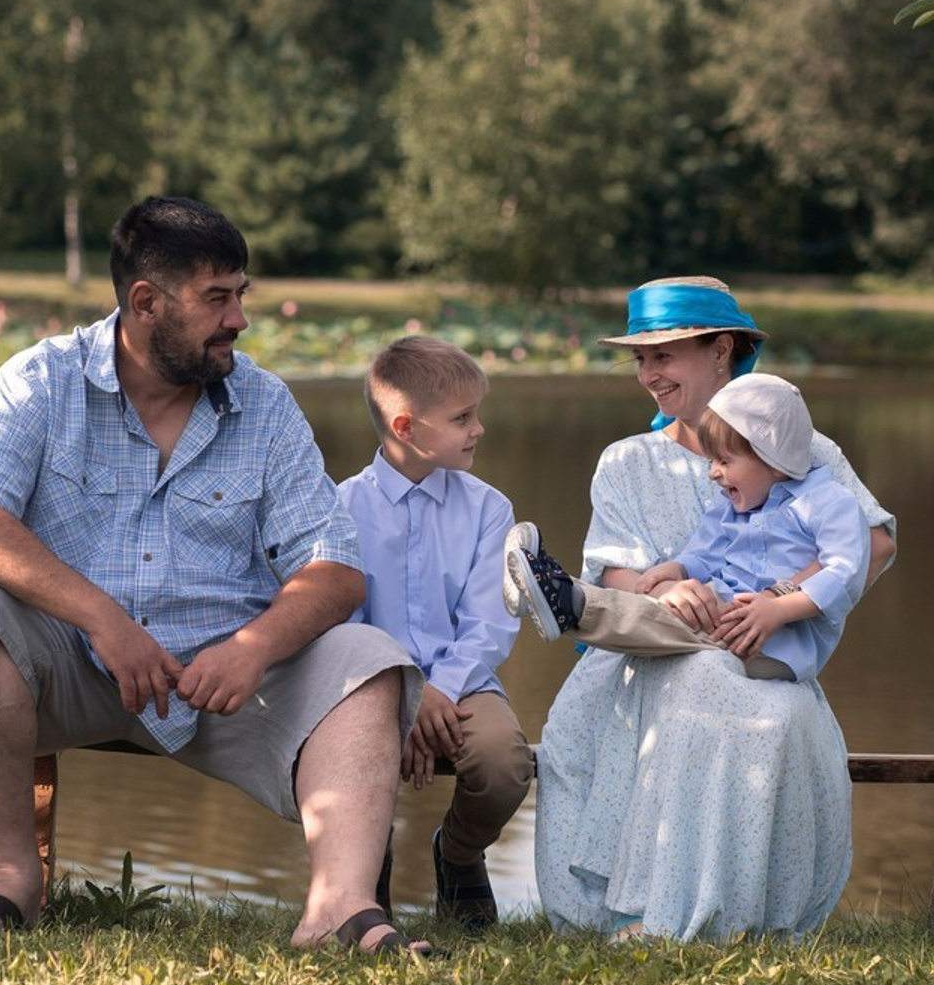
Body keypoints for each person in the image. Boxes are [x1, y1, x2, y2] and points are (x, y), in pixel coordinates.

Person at [0, 195, 436, 957]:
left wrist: (253, 647)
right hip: (68, 668)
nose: (239, 319)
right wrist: (103, 619)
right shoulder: (42, 381)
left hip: (225, 678)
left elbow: (335, 570)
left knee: (369, 660)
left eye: (241, 294)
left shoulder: (263, 402)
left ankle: (339, 911)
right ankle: (8, 884)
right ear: (146, 303)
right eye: (217, 298)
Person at [518, 276, 896, 943]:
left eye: (663, 355)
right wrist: (667, 586)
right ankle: (572, 606)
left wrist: (780, 600)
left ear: (722, 350)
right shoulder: (629, 462)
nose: (648, 375)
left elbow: (874, 544)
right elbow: (624, 570)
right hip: (645, 659)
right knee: (690, 662)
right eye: (640, 359)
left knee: (713, 677)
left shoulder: (804, 453)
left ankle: (680, 914)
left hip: (756, 646)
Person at [338, 336, 533, 931]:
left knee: (504, 764)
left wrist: (436, 692)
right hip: (367, 684)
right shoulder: (339, 506)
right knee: (346, 752)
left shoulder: (488, 508)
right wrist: (401, 695)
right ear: (407, 427)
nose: (479, 429)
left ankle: (458, 853)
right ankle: (363, 868)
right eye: (462, 418)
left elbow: (491, 622)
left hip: (462, 682)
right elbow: (340, 626)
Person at [508, 372, 871, 685]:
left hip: (775, 642)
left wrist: (780, 608)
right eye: (712, 460)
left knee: (671, 622)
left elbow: (845, 569)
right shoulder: (735, 502)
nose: (714, 471)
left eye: (725, 461)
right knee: (679, 611)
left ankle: (569, 604)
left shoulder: (828, 502)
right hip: (729, 613)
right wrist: (678, 568)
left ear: (773, 461)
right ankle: (562, 600)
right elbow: (706, 551)